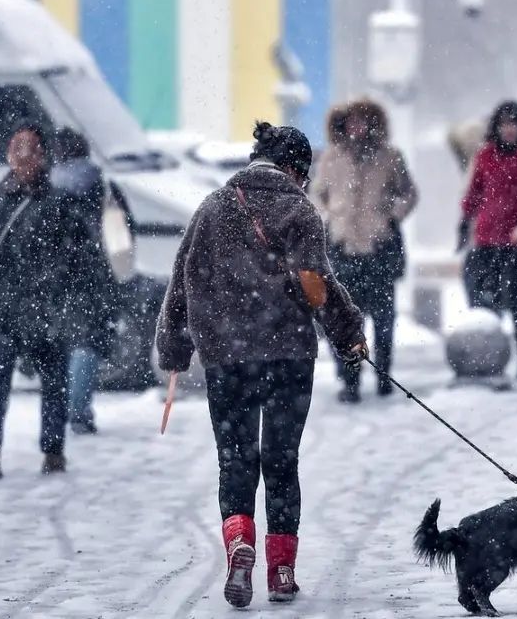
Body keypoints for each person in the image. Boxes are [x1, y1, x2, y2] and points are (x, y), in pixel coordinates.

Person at [155, 121, 367, 607]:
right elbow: (315, 281)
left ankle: (239, 543)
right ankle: (283, 570)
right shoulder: (300, 210)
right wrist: (347, 332)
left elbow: (182, 279)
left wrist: (174, 349)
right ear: (296, 169)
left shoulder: (212, 208)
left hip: (228, 358)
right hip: (289, 355)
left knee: (235, 460)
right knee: (281, 461)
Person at [0, 124, 78, 480]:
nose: (23, 156)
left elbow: (72, 256)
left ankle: (53, 449)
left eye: (30, 149)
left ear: (43, 156)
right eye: (17, 148)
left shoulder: (59, 202)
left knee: (53, 381)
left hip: (45, 310)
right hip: (4, 309)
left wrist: (51, 286)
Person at [311, 99, 417, 403]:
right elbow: (318, 192)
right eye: (350, 122)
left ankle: (384, 373)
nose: (356, 127)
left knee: (384, 320)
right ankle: (350, 379)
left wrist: (391, 214)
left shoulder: (390, 157)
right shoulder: (332, 158)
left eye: (362, 121)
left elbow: (408, 193)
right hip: (342, 249)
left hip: (379, 248)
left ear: (373, 124)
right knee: (343, 321)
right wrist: (328, 217)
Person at [458, 100, 517, 380]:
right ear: (496, 128)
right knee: (486, 301)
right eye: (504, 124)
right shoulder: (485, 156)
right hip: (488, 236)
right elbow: (474, 192)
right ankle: (486, 357)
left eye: (514, 124)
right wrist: (465, 219)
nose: (509, 130)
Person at [50, 128, 121, 435]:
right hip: (96, 272)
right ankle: (78, 410)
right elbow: (120, 234)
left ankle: (59, 408)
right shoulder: (102, 185)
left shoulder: (46, 186)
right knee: (89, 340)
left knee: (61, 341)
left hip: (55, 274)